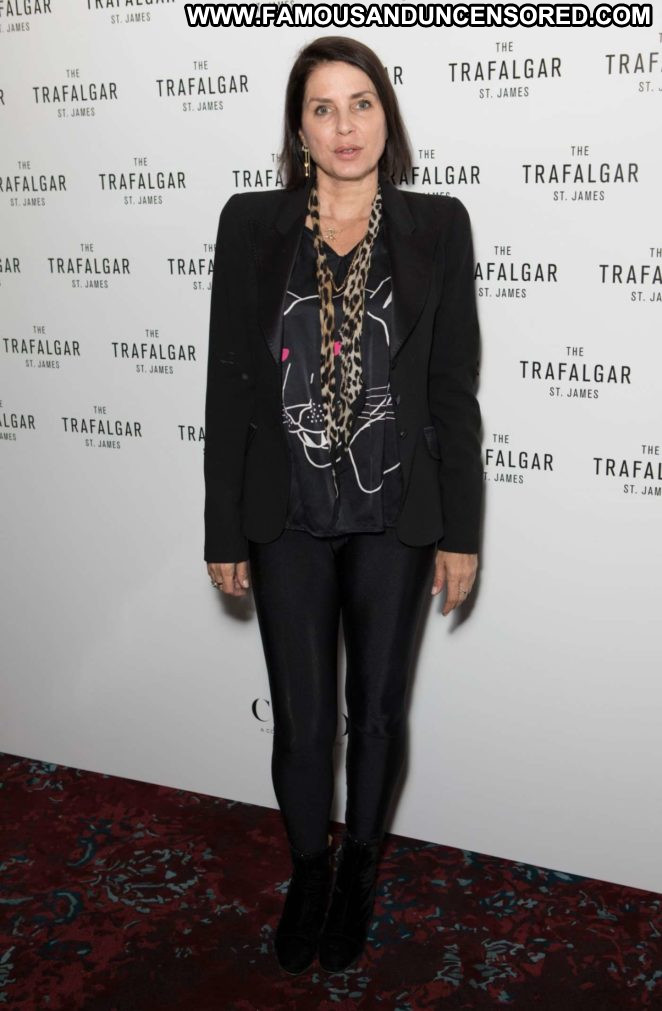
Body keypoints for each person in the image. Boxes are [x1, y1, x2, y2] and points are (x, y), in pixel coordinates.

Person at [203, 35, 483, 976]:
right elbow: (230, 383)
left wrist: (462, 531)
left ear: (386, 118)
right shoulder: (251, 223)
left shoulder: (439, 225)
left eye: (361, 103)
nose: (345, 125)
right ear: (299, 128)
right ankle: (310, 870)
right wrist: (221, 525)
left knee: (380, 711)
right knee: (302, 720)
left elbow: (451, 387)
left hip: (397, 509)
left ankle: (360, 864)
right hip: (284, 509)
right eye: (323, 108)